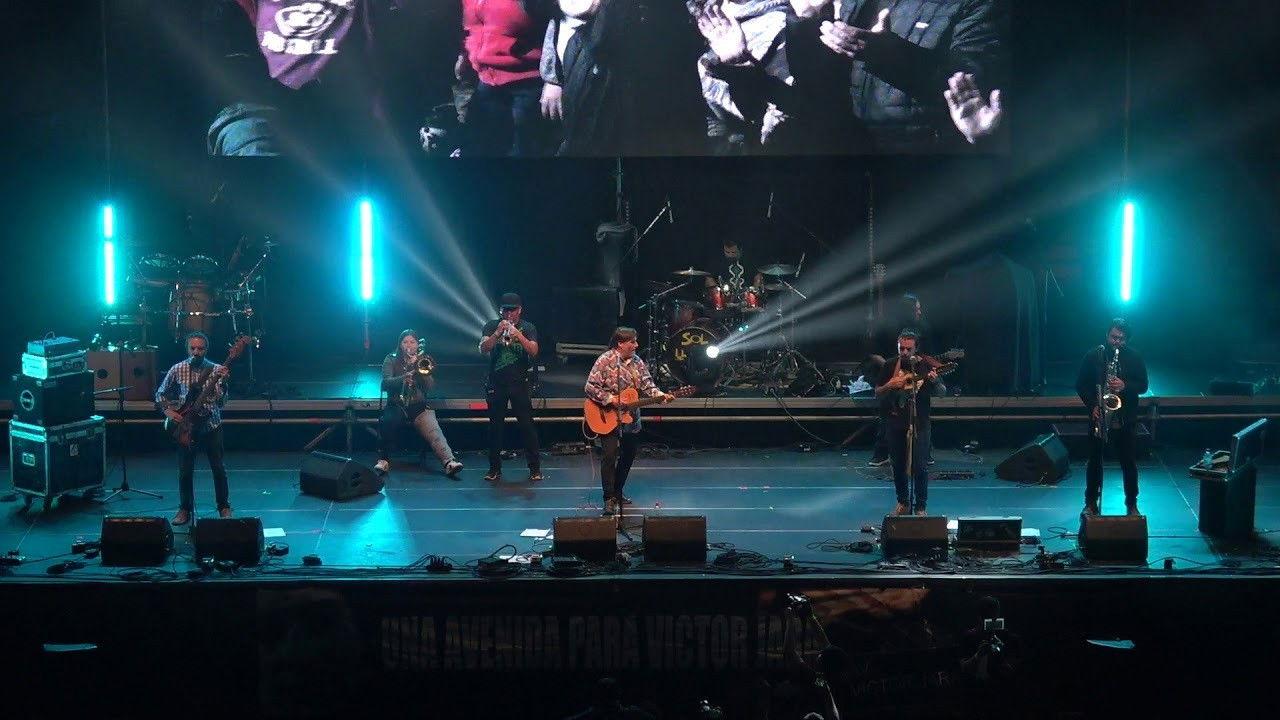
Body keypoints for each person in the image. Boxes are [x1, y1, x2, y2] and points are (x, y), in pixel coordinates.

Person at [787, 0, 1008, 153]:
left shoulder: (977, 5)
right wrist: (806, 25)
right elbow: (822, 86)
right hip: (857, 150)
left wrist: (890, 54)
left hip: (924, 161)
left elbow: (968, 84)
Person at [584, 327, 674, 514]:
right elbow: (590, 387)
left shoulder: (637, 362)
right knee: (609, 456)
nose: (636, 345)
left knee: (629, 454)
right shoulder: (605, 360)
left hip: (631, 417)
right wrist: (611, 399)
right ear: (621, 343)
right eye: (632, 342)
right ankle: (608, 497)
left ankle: (617, 490)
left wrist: (660, 395)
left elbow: (648, 385)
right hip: (607, 415)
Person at [457, 0, 557, 156]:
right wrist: (464, 54)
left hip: (529, 83)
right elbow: (472, 27)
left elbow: (561, 25)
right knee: (481, 147)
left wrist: (554, 78)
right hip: (487, 80)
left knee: (523, 151)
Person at [156, 332, 232, 525]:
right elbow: (160, 393)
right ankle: (184, 509)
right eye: (193, 348)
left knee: (218, 468)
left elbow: (222, 403)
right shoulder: (178, 368)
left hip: (211, 425)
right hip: (187, 426)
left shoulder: (216, 370)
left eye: (201, 348)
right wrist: (168, 411)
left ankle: (224, 506)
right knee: (185, 470)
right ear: (188, 349)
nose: (197, 352)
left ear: (206, 349)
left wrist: (224, 382)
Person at [1075, 318, 1148, 515]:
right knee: (1095, 461)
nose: (1117, 342)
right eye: (1114, 337)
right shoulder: (1094, 356)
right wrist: (1093, 406)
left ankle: (1131, 504)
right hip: (1099, 415)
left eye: (1121, 339)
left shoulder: (1134, 357)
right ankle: (1090, 502)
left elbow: (1143, 386)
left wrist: (1125, 386)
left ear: (1127, 340)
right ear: (1107, 335)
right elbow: (1081, 385)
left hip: (1125, 418)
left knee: (1129, 462)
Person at [375, 330, 463, 477]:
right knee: (389, 422)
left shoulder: (423, 360)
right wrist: (404, 378)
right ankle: (383, 460)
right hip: (397, 405)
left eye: (412, 342)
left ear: (417, 345)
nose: (408, 345)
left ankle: (449, 462)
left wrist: (419, 368)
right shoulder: (391, 359)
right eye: (405, 342)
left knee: (434, 430)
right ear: (400, 344)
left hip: (418, 407)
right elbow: (385, 383)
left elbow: (429, 387)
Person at [479, 292, 543, 482]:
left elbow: (533, 351)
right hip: (496, 384)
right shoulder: (491, 326)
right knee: (495, 428)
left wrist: (518, 335)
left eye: (512, 310)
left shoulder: (528, 327)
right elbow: (483, 348)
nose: (508, 314)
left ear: (519, 310)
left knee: (527, 427)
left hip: (520, 383)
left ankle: (535, 469)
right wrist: (498, 333)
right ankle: (494, 469)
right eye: (505, 310)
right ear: (500, 310)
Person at [874, 329, 937, 515]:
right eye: (901, 348)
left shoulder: (926, 365)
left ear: (916, 349)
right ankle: (903, 502)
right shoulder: (890, 365)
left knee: (920, 465)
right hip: (895, 421)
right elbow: (877, 391)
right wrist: (889, 385)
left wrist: (934, 381)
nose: (904, 352)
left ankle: (921, 506)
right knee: (898, 464)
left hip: (920, 422)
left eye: (908, 349)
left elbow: (942, 391)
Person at [869, 292, 933, 466]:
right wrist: (891, 369)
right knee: (888, 412)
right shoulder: (885, 326)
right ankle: (881, 452)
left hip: (915, 374)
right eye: (917, 310)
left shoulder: (923, 328)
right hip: (890, 373)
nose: (919, 313)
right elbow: (873, 353)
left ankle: (924, 453)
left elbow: (926, 355)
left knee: (922, 410)